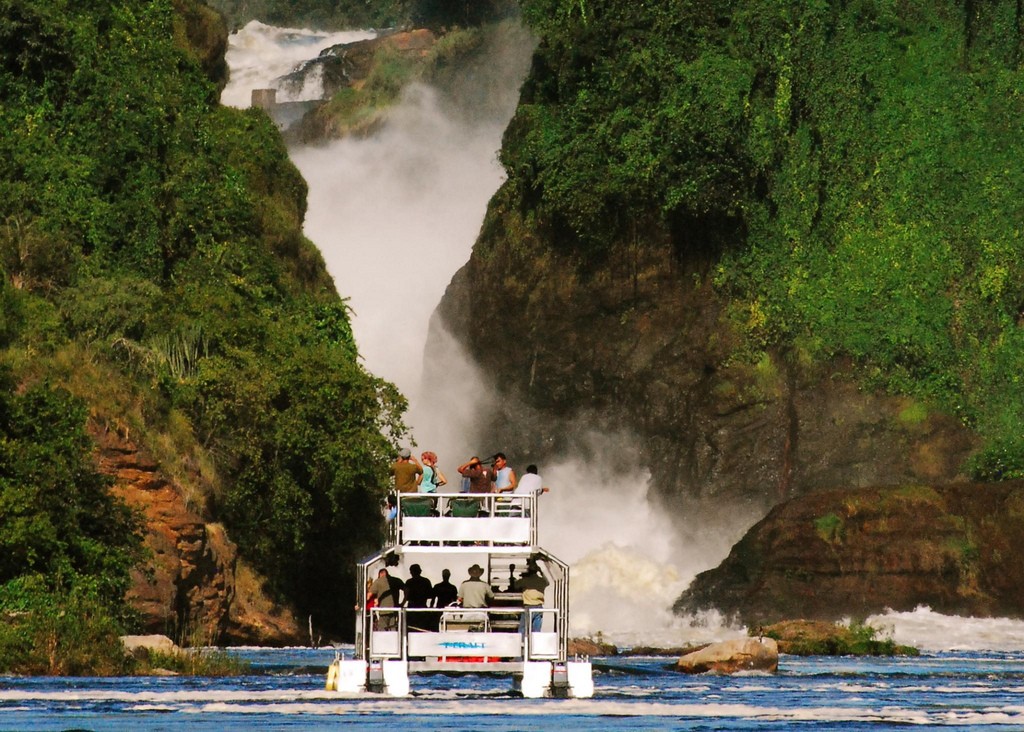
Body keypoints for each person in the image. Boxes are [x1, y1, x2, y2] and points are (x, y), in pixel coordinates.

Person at [515, 559, 549, 633]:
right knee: (536, 630)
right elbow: (547, 582)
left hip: (528, 606)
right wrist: (541, 572)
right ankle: (534, 644)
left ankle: (522, 643)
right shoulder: (541, 580)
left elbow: (515, 585)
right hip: (539, 607)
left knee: (523, 629)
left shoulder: (525, 580)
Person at [404, 564, 434, 631]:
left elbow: (406, 596)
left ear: (411, 572)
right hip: (422, 608)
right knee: (423, 629)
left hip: (412, 609)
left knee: (411, 629)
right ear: (420, 571)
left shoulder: (409, 582)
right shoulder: (426, 581)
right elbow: (431, 595)